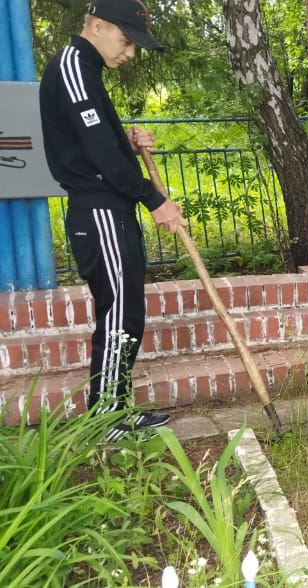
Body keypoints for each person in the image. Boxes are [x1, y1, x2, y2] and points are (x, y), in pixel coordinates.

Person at [39, 0, 188, 441]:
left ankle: (114, 410)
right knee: (120, 314)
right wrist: (154, 199)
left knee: (126, 311)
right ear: (99, 25)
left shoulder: (86, 70)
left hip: (110, 208)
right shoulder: (72, 66)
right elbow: (98, 152)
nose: (130, 53)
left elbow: (94, 140)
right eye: (126, 41)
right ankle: (107, 419)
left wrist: (127, 140)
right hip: (99, 210)